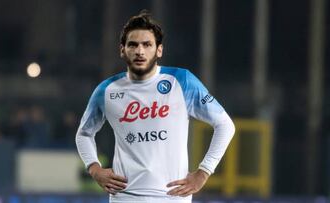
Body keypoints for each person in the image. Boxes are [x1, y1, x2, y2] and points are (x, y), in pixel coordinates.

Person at [75, 10, 235, 203]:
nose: (140, 51)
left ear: (159, 50)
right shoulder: (106, 90)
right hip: (125, 197)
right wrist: (94, 169)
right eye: (133, 45)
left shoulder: (181, 81)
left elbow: (225, 125)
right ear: (122, 50)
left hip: (172, 197)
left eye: (147, 45)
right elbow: (84, 134)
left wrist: (204, 172)